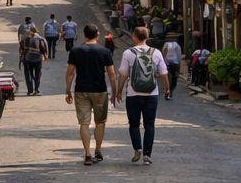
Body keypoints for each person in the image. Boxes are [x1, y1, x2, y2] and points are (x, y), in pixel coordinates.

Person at [115, 25, 170, 164]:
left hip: (133, 94)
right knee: (149, 125)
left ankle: (137, 149)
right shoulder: (156, 52)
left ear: (134, 36)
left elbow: (123, 75)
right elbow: (163, 73)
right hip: (151, 94)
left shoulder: (128, 53)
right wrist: (167, 88)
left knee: (133, 124)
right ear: (147, 37)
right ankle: (147, 155)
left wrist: (119, 91)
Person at [65, 23, 116, 165]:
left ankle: (87, 153)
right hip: (100, 90)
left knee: (84, 123)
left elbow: (70, 73)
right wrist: (114, 91)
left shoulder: (75, 50)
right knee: (100, 122)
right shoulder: (105, 51)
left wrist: (68, 90)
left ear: (84, 35)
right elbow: (112, 74)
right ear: (97, 35)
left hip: (81, 90)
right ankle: (98, 150)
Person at [21, 26, 49, 95]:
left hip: (28, 59)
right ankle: (36, 90)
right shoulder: (41, 39)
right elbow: (43, 48)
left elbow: (23, 48)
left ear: (31, 31)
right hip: (38, 59)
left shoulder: (27, 38)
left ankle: (30, 91)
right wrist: (45, 56)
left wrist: (22, 57)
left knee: (29, 74)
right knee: (38, 74)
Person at [161, 35, 183, 100]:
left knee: (168, 79)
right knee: (174, 80)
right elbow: (179, 56)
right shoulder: (177, 45)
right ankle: (170, 93)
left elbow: (163, 53)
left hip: (167, 64)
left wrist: (163, 62)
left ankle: (168, 92)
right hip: (174, 64)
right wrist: (179, 66)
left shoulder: (166, 44)